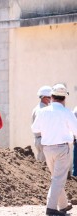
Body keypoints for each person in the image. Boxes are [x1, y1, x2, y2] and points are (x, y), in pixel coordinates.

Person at [31, 83, 76, 215]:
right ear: (64, 98)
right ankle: (51, 208)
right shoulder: (67, 112)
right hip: (62, 149)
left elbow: (35, 129)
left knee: (56, 178)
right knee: (58, 179)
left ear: (51, 96)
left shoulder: (43, 112)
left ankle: (62, 205)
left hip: (47, 149)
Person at [32, 86, 52, 161]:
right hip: (43, 140)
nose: (51, 99)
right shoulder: (42, 110)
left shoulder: (37, 108)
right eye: (49, 97)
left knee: (42, 164)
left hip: (40, 139)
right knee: (44, 166)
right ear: (44, 97)